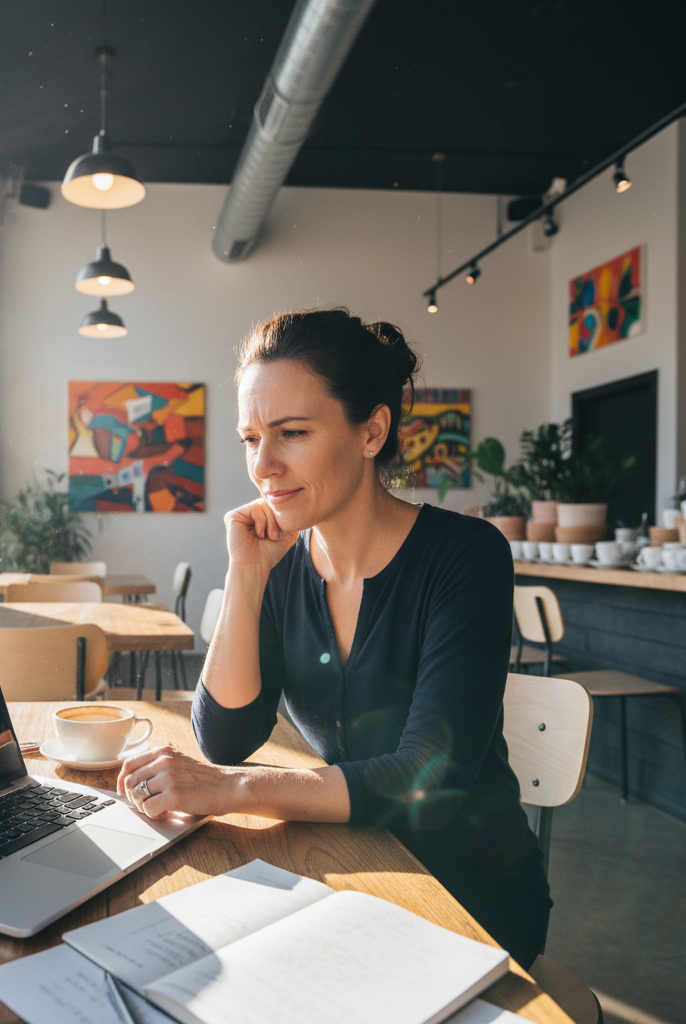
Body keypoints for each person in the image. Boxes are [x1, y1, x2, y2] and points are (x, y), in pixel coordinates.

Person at [117, 308, 551, 969]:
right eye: (250, 438)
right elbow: (226, 737)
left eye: (291, 433)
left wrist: (232, 789)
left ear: (372, 429)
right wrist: (246, 573)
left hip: (466, 890)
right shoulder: (282, 562)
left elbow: (428, 777)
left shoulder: (466, 556)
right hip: (345, 866)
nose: (263, 465)